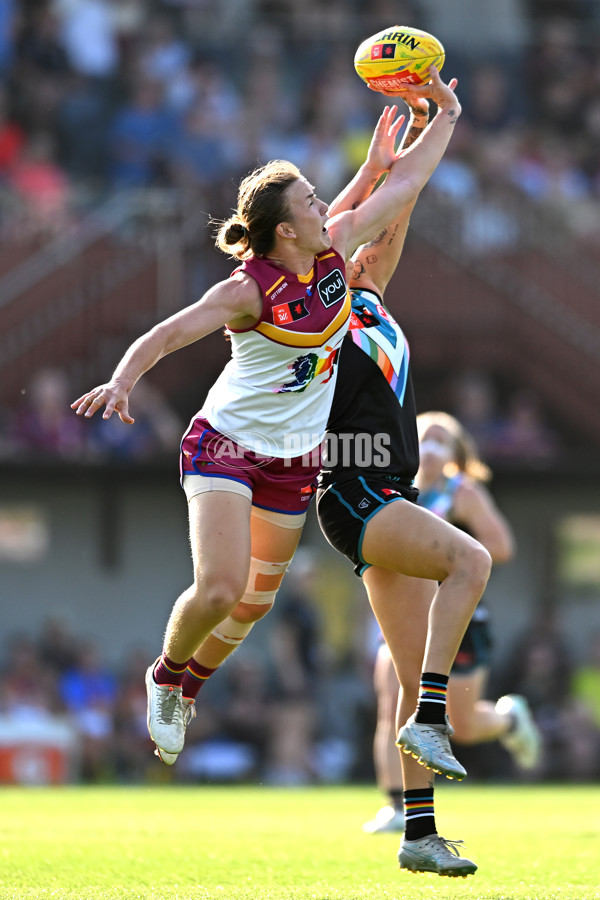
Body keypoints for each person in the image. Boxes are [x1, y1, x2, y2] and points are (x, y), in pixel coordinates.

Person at [71, 66, 460, 770]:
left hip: (295, 458)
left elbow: (404, 188)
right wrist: (123, 382)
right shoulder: (248, 290)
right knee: (220, 585)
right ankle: (166, 677)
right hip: (225, 446)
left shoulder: (333, 251)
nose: (330, 203)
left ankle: (191, 683)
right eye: (313, 200)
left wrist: (447, 118)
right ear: (286, 229)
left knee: (250, 607)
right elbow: (169, 332)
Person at [315, 85, 492, 876]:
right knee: (473, 562)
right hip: (353, 489)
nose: (365, 247)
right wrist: (430, 132)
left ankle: (418, 834)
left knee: (412, 654)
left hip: (389, 493)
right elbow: (386, 197)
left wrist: (426, 127)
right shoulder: (313, 316)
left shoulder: (371, 302)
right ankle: (432, 714)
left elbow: (400, 206)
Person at [362, 411, 542, 838]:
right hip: (408, 614)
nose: (431, 447)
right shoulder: (396, 493)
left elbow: (500, 546)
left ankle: (508, 720)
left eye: (441, 440)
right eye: (425, 438)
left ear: (455, 452)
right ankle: (398, 806)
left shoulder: (462, 493)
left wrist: (445, 548)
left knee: (460, 724)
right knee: (392, 699)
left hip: (458, 621)